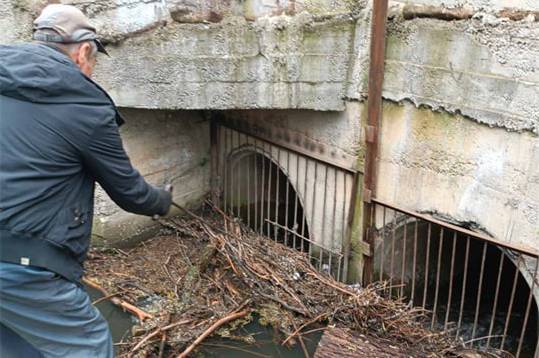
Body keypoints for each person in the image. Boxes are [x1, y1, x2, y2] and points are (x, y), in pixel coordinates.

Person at [0, 4, 172, 357]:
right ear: (83, 53)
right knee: (88, 344)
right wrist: (161, 200)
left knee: (18, 344)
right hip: (24, 262)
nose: (92, 72)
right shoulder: (83, 103)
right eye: (94, 62)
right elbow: (129, 192)